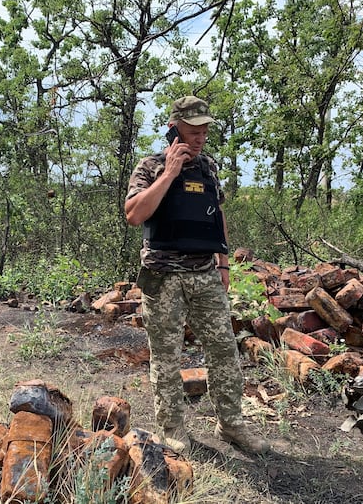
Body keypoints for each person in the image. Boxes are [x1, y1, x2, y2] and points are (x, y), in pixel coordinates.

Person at [124, 95, 270, 455]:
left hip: (205, 274)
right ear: (174, 128)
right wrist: (170, 173)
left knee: (224, 351)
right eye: (193, 129)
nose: (201, 136)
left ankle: (231, 423)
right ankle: (173, 428)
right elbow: (134, 214)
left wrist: (223, 264)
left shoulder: (208, 167)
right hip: (163, 278)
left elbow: (216, 214)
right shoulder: (150, 166)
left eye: (205, 129)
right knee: (167, 357)